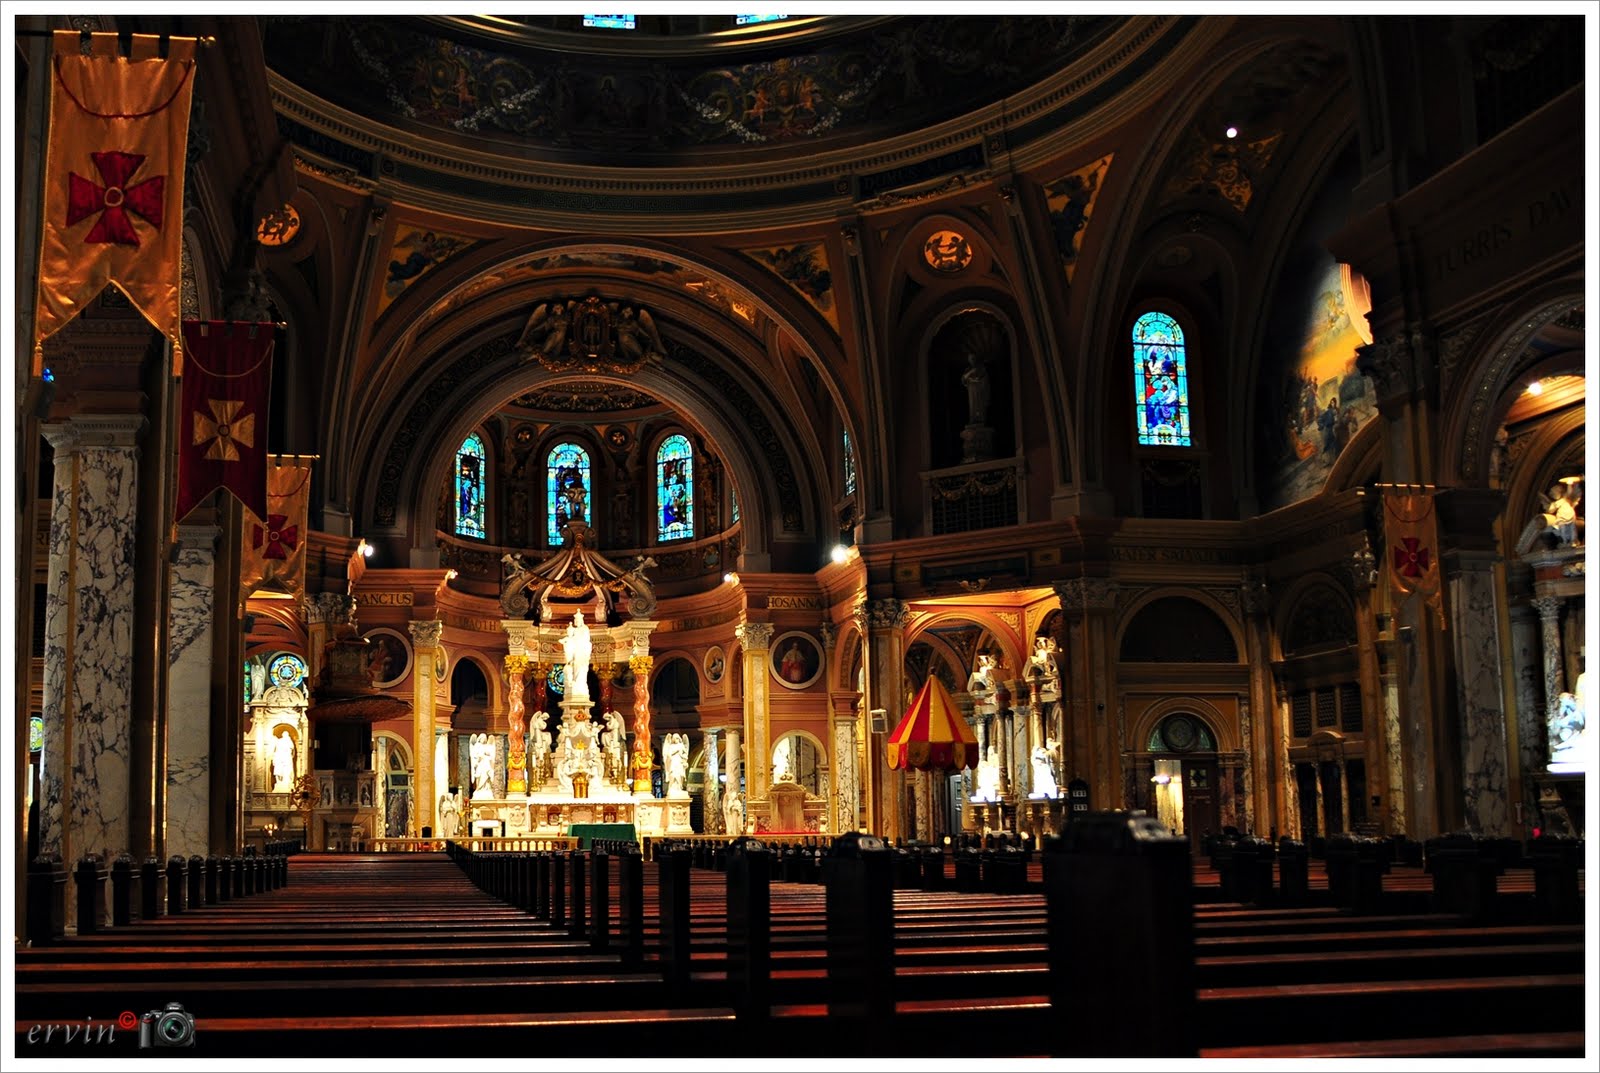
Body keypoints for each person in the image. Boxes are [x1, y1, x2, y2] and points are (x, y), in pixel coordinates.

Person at [562, 611, 592, 696]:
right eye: (576, 621)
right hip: (576, 653)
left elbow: (586, 640)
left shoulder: (585, 629)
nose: (576, 622)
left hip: (582, 652)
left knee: (581, 669)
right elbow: (570, 639)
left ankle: (580, 685)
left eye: (578, 621)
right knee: (575, 668)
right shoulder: (574, 630)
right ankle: (574, 683)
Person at [961, 351, 990, 427]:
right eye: (970, 358)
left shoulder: (981, 368)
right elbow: (964, 378)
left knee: (979, 405)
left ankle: (980, 420)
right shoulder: (968, 369)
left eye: (973, 358)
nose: (972, 360)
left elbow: (984, 379)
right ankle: (973, 420)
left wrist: (975, 380)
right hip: (971, 391)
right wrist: (971, 373)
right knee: (973, 405)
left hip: (980, 391)